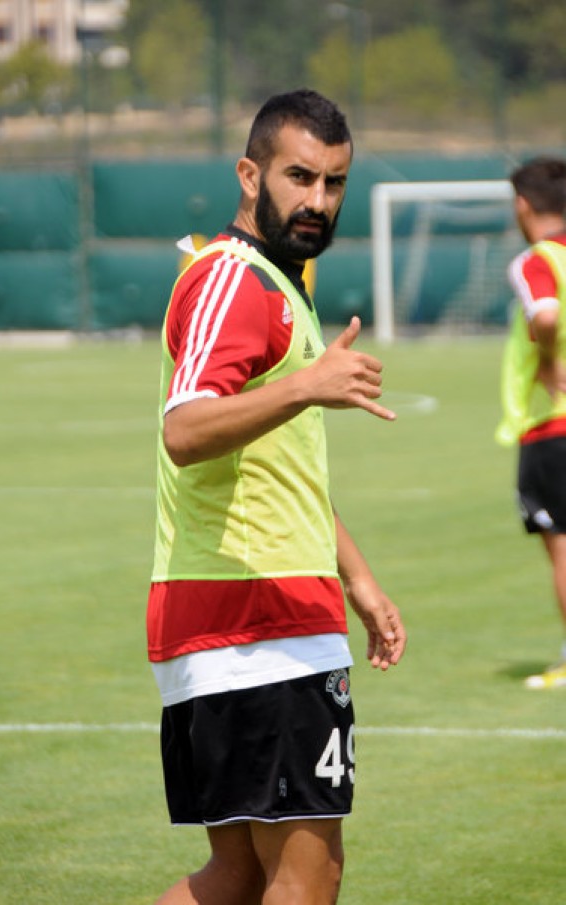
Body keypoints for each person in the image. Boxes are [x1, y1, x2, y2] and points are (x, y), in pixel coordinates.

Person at [146, 88, 407, 905]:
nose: (318, 200)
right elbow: (186, 429)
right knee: (306, 874)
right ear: (250, 174)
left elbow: (275, 467)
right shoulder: (234, 278)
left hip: (252, 607)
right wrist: (307, 385)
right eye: (300, 177)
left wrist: (358, 578)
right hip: (255, 616)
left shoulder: (277, 282)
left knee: (238, 876)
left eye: (334, 182)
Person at [496, 156, 566, 690]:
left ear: (522, 205)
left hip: (553, 427)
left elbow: (544, 313)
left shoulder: (536, 261)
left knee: (562, 546)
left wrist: (545, 360)